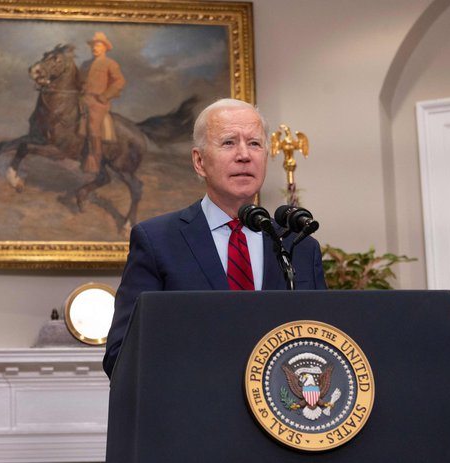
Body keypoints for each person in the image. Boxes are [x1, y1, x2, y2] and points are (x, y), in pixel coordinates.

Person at [103, 98, 327, 378]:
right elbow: (121, 354)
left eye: (255, 144)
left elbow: (322, 346)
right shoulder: (157, 241)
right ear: (199, 161)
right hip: (193, 411)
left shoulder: (300, 245)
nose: (244, 155)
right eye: (229, 143)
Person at [80, 32, 126, 173]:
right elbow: (80, 82)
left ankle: (95, 159)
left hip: (98, 102)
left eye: (98, 45)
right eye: (93, 45)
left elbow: (120, 81)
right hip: (82, 99)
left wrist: (106, 96)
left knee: (93, 125)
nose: (95, 48)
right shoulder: (85, 64)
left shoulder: (110, 64)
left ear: (105, 47)